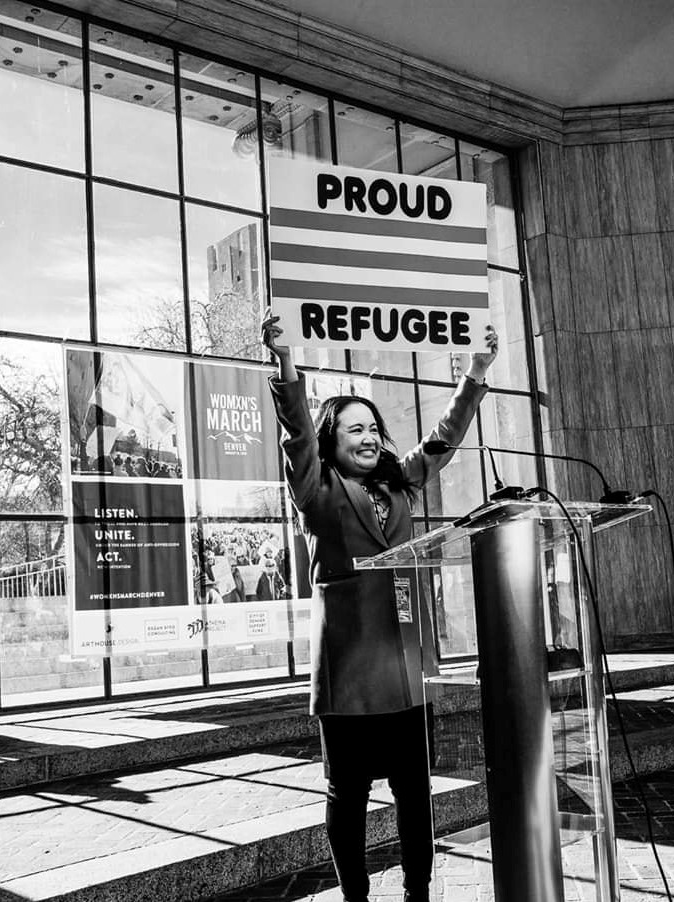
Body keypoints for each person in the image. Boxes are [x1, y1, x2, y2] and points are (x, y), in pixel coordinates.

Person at [262, 309, 497, 902]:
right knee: (348, 798)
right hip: (350, 682)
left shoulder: (399, 481)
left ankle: (419, 894)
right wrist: (286, 364)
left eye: (373, 427)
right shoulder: (316, 491)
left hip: (406, 673)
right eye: (354, 430)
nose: (368, 437)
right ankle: (357, 899)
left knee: (415, 795)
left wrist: (475, 373)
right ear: (332, 441)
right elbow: (297, 439)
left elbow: (442, 439)